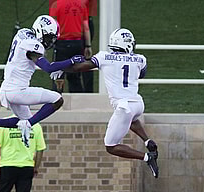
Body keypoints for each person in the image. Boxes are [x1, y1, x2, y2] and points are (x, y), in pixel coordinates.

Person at [58, 28, 159, 178]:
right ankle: (147, 140)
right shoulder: (140, 59)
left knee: (111, 146)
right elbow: (141, 73)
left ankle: (147, 157)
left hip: (123, 106)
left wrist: (58, 66)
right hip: (137, 103)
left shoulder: (104, 57)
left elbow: (78, 68)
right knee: (131, 120)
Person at [0, 15, 85, 148]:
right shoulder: (33, 45)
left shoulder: (23, 34)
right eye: (49, 37)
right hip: (17, 91)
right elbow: (49, 68)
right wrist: (71, 60)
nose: (50, 41)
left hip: (6, 89)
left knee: (27, 121)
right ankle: (26, 125)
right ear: (40, 31)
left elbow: (36, 62)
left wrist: (60, 68)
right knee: (58, 100)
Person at [50, 0, 92, 93]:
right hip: (77, 44)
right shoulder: (82, 5)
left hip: (61, 44)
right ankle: (78, 104)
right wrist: (88, 46)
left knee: (58, 75)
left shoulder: (56, 5)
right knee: (75, 77)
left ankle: (55, 101)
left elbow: (51, 26)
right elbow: (86, 27)